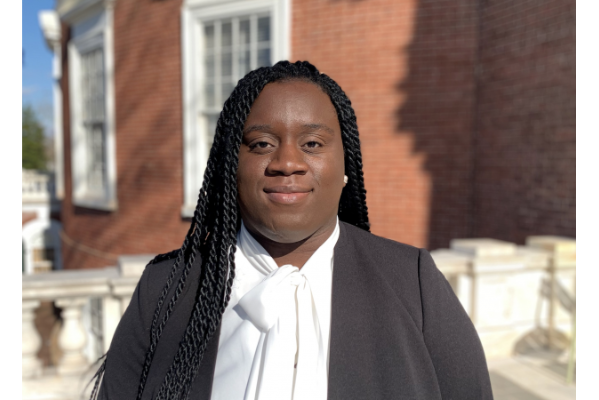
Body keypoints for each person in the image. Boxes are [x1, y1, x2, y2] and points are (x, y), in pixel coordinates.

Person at [93, 61, 493, 400]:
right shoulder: (168, 289)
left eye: (313, 144)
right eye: (262, 144)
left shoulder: (413, 282)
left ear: (346, 166)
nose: (287, 162)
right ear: (229, 167)